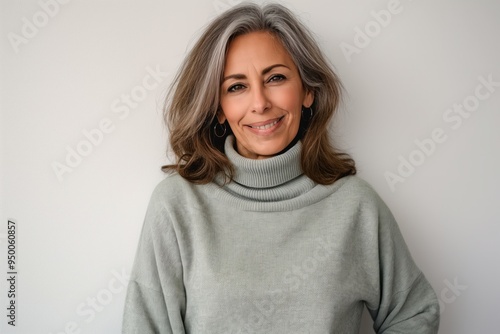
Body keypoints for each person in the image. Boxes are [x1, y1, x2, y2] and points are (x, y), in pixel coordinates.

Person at [122, 3, 440, 333]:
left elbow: (414, 313)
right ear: (218, 109)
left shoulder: (356, 207)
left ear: (307, 91)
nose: (260, 103)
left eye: (275, 78)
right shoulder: (177, 206)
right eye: (237, 86)